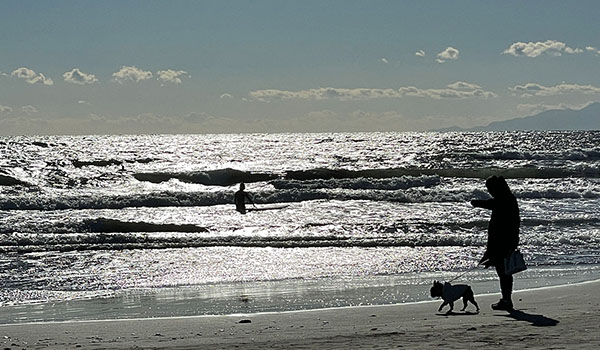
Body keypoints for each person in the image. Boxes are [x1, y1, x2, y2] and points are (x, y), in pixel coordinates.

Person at [471, 175, 520, 311]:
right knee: (504, 270)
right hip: (505, 240)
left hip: (503, 240)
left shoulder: (505, 200)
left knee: (503, 271)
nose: (490, 191)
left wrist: (477, 203)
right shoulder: (508, 199)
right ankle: (506, 299)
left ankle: (506, 300)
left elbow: (491, 204)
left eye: (490, 189)